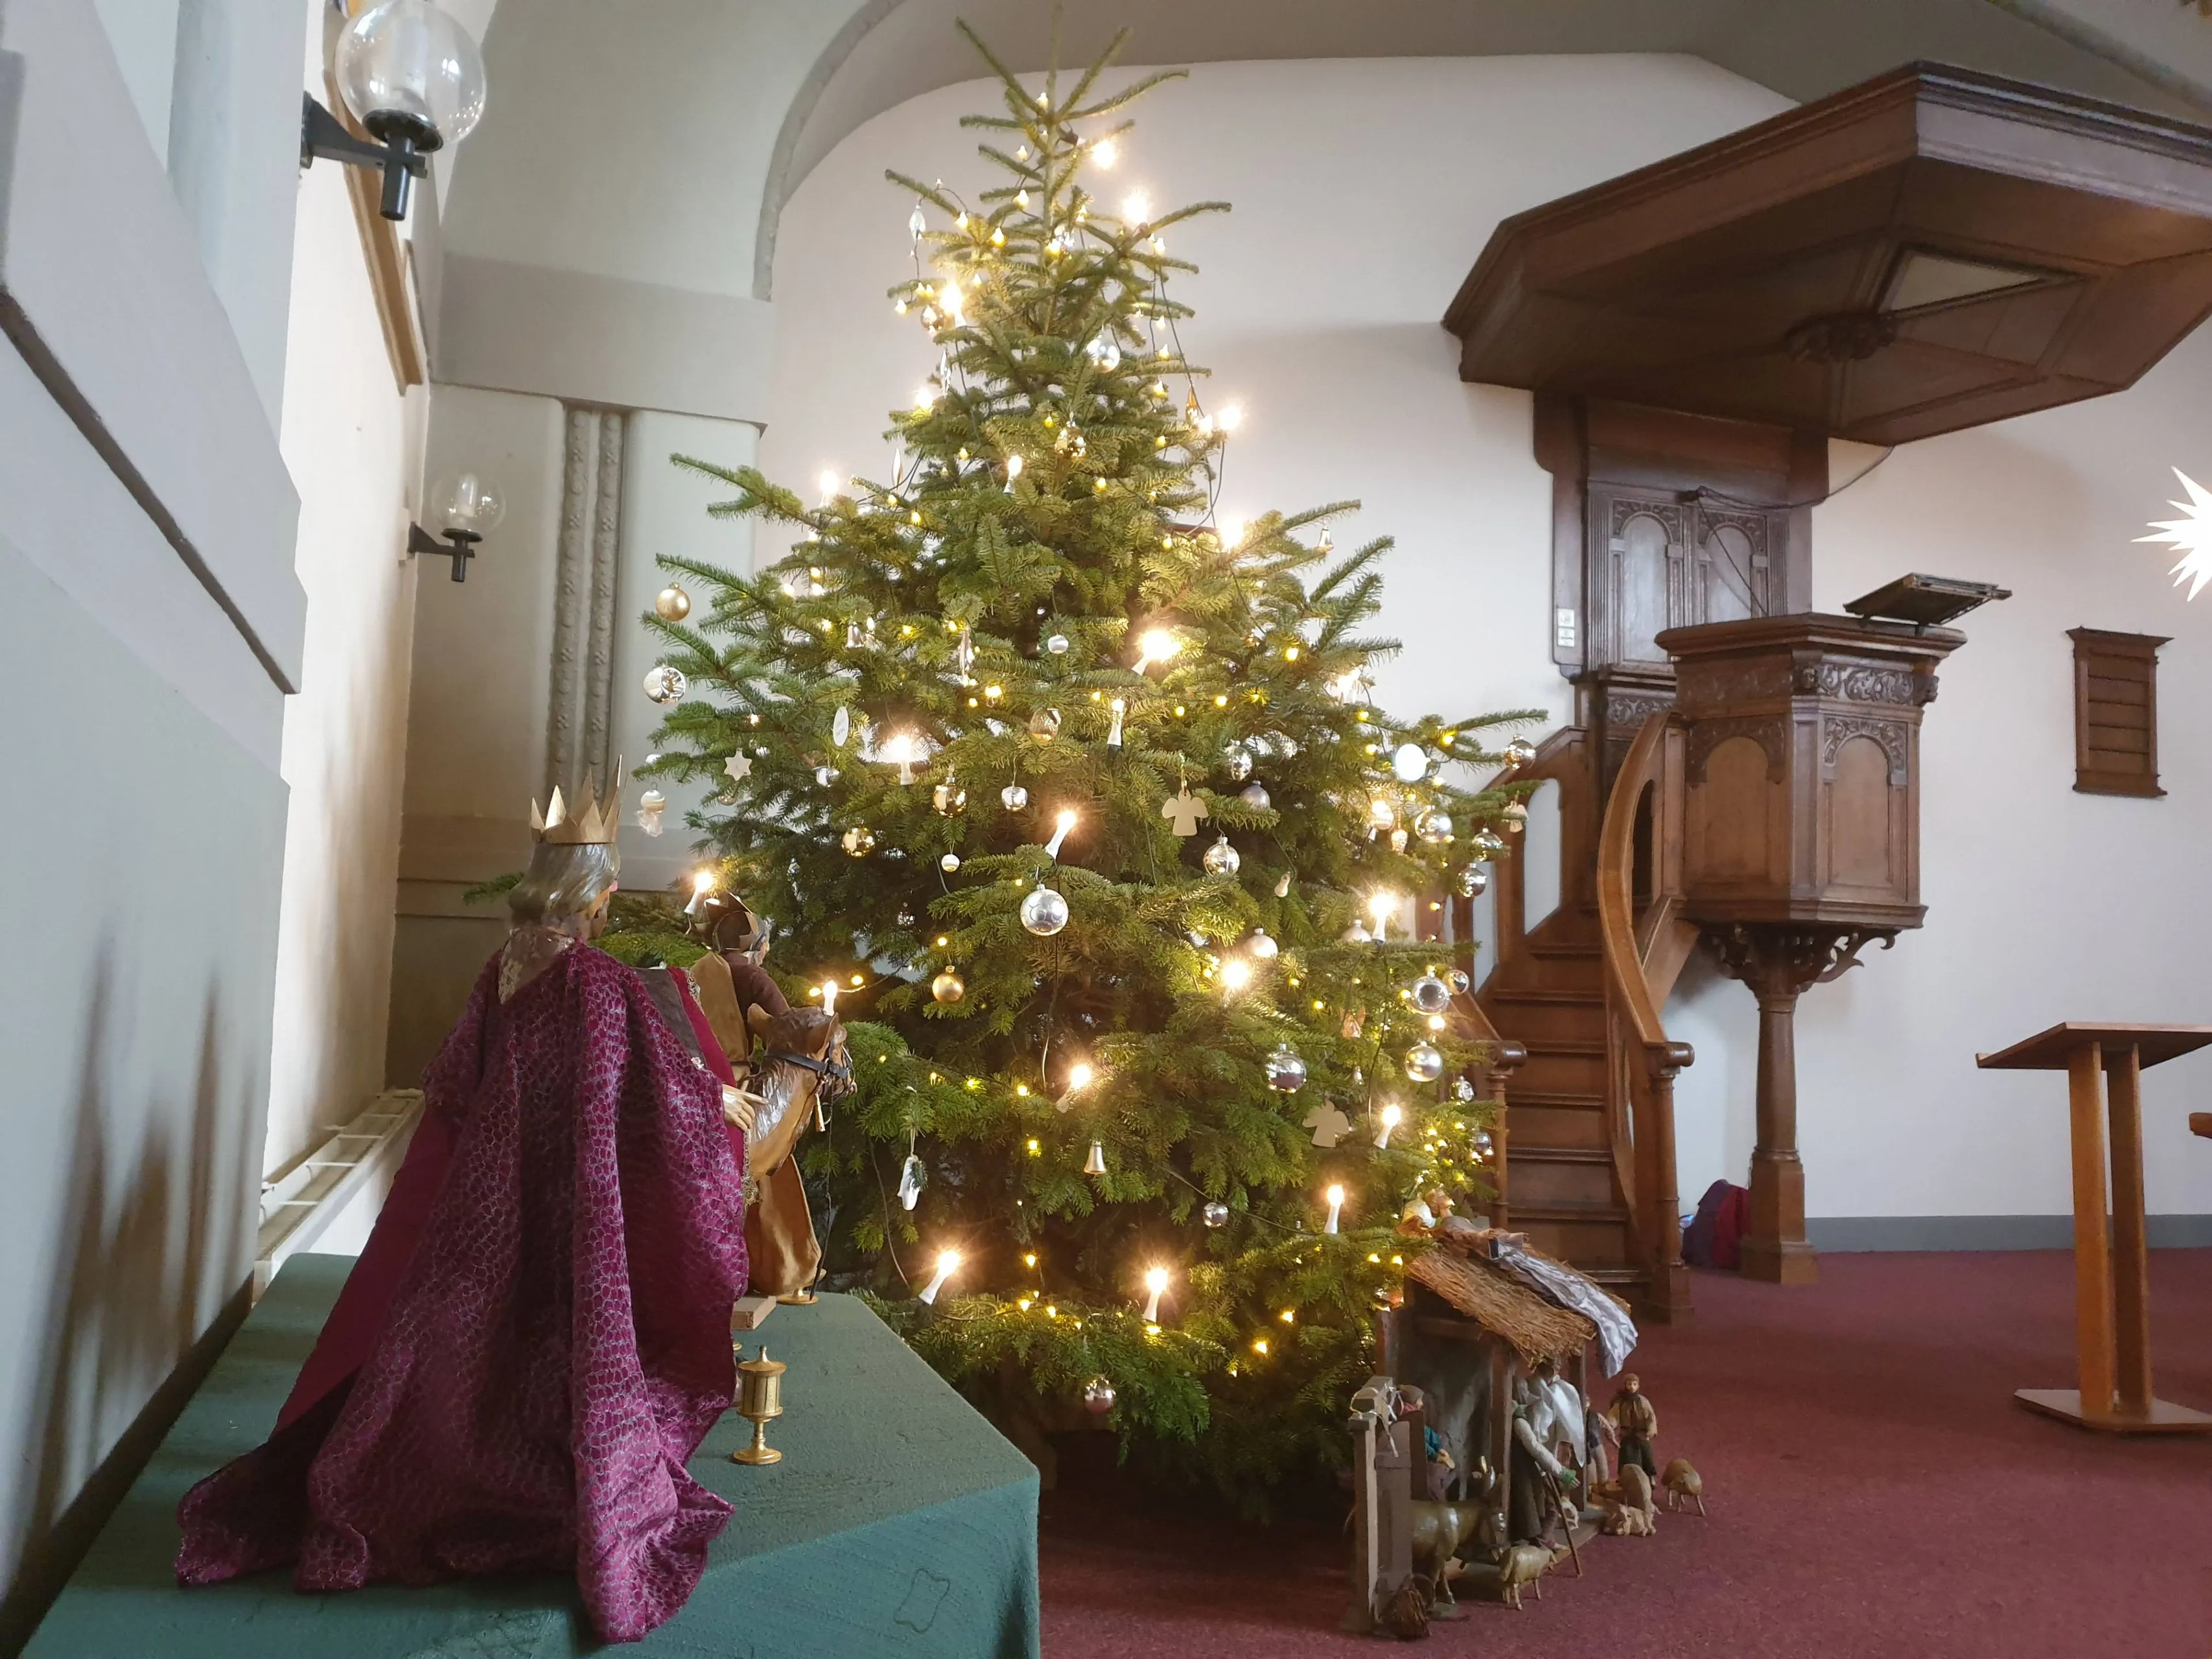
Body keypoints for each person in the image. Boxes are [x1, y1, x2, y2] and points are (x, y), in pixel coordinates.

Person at [175, 778, 750, 1643]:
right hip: (574, 1199)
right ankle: (559, 1488)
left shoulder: (509, 962)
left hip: (491, 1194)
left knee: (467, 1337)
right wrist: (713, 1109)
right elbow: (653, 1099)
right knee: (566, 1342)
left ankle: (432, 1468)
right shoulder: (600, 982)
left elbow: (451, 1081)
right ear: (597, 889)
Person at [1604, 1373, 1660, 1481]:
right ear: (1626, 1385)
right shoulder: (1621, 1401)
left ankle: (1650, 1477)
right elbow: (1614, 1415)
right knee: (1626, 1456)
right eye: (1630, 1384)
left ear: (1638, 1386)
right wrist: (1610, 1425)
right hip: (1627, 1433)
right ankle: (1624, 1478)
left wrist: (1651, 1430)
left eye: (1634, 1384)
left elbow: (1650, 1416)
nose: (1632, 1387)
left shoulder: (1643, 1401)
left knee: (1647, 1454)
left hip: (1641, 1433)